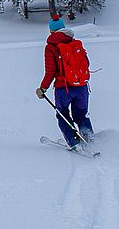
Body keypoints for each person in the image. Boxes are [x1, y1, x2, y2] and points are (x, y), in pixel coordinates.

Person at [35, 14, 94, 148]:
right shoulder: (74, 42)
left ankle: (74, 143)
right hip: (82, 87)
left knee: (62, 115)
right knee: (81, 115)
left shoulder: (51, 46)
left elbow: (50, 72)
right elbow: (87, 63)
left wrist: (43, 88)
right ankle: (90, 139)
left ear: (51, 31)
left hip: (64, 89)